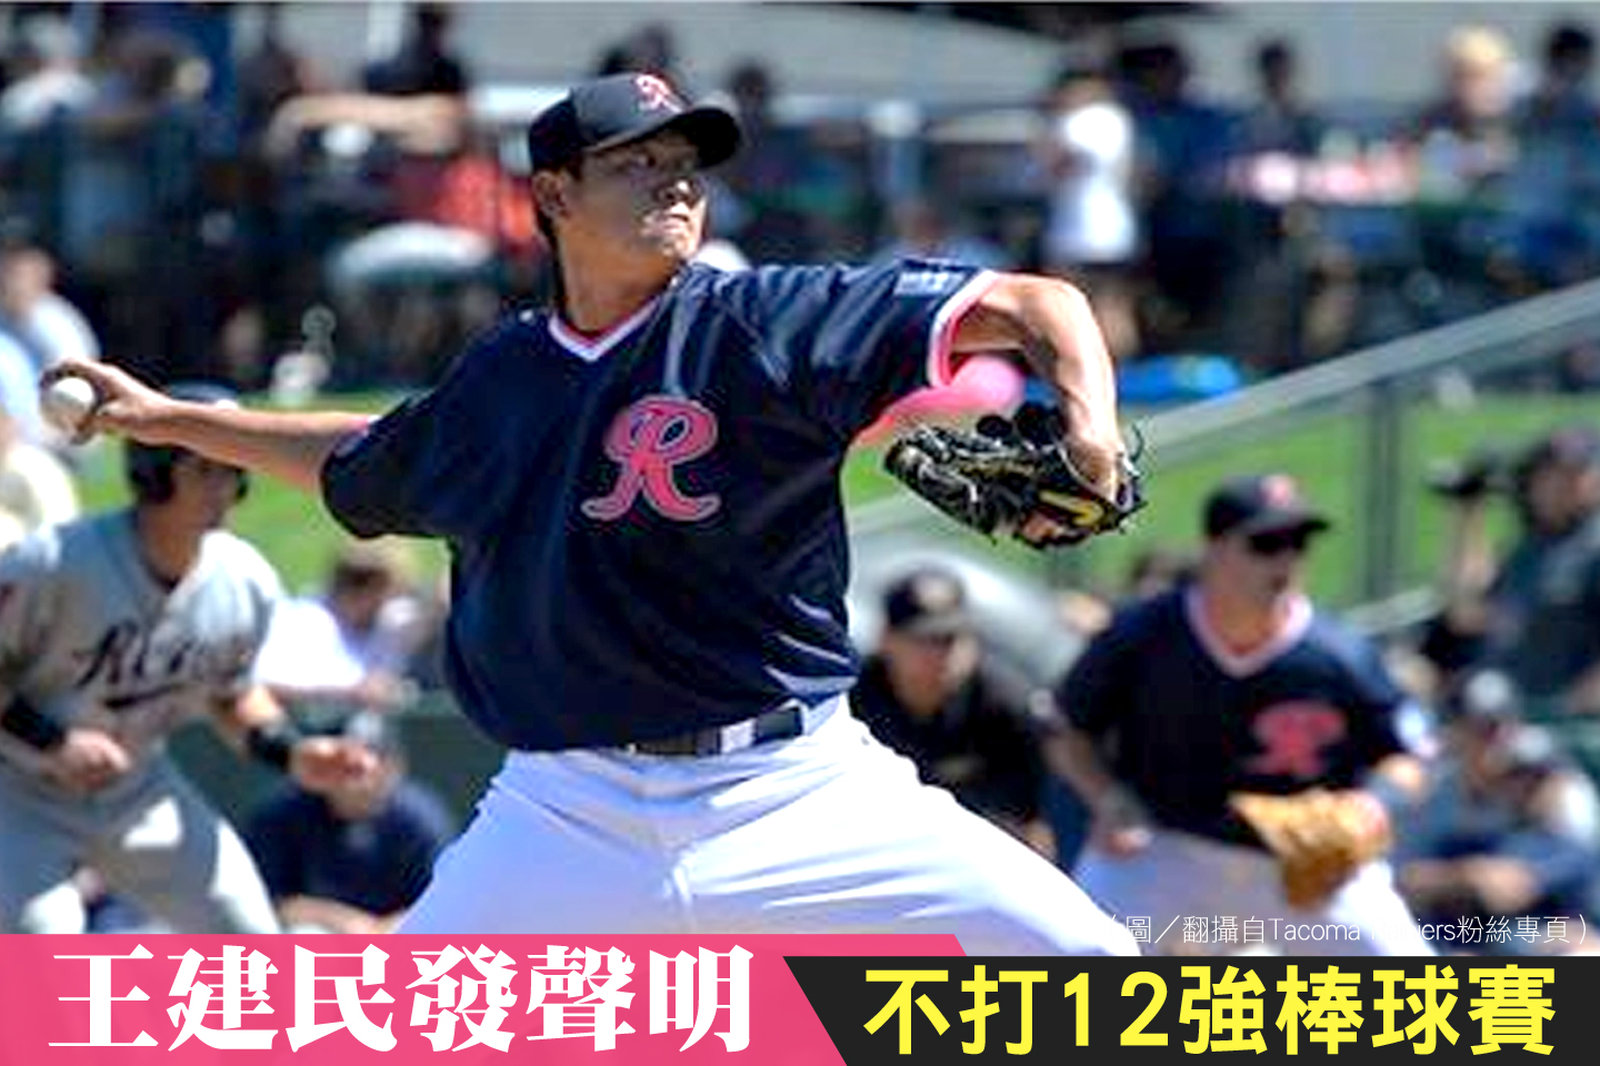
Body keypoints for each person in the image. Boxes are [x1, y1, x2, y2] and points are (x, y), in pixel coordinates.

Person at [47, 72, 1137, 954]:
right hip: (567, 809)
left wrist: (1087, 426)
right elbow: (364, 456)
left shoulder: (770, 320)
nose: (676, 182)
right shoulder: (503, 379)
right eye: (636, 163)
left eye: (686, 162)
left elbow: (1033, 303)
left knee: (1092, 975)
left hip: (792, 787)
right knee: (386, 1033)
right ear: (555, 194)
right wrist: (174, 420)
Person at [0, 383, 374, 933]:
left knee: (248, 936)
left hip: (137, 790)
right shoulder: (54, 563)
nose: (225, 485)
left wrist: (294, 750)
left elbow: (232, 696)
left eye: (231, 469)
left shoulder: (242, 579)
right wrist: (53, 740)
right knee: (40, 948)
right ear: (153, 473)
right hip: (18, 789)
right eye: (205, 468)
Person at [1050, 473, 1436, 955]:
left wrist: (1372, 805)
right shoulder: (1144, 634)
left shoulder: (1338, 654)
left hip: (1301, 863)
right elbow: (1067, 730)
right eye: (1266, 543)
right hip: (1167, 847)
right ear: (1213, 549)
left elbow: (1411, 755)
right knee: (1075, 953)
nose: (1286, 560)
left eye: (1298, 542)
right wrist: (1107, 797)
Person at [852, 566, 1057, 858]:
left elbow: (1029, 826)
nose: (941, 653)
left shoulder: (1005, 704)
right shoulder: (850, 703)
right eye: (924, 639)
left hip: (974, 850)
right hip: (876, 845)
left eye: (952, 638)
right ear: (887, 639)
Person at [1395, 669, 1600, 954]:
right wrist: (1465, 877)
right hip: (1449, 933)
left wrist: (1460, 879)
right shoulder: (1433, 789)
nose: (1495, 738)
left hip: (1547, 928)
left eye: (1500, 725)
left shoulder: (1551, 782)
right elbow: (1403, 879)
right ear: (1452, 733)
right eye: (1480, 728)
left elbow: (1512, 887)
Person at [1429, 425, 1600, 713]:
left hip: (1567, 720)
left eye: (1574, 475)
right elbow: (1465, 613)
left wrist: (1572, 710)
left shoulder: (1591, 547)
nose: (1558, 485)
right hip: (1506, 710)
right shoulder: (1531, 548)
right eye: (1549, 474)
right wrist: (1469, 511)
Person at [244, 710, 456, 934]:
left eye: (374, 756)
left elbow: (443, 904)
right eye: (345, 760)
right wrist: (355, 926)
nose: (361, 769)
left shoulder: (419, 818)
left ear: (396, 765)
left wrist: (377, 932)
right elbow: (269, 903)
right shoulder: (283, 814)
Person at [254, 538, 426, 719]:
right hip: (306, 727)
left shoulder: (386, 619)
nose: (392, 600)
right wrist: (351, 692)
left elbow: (426, 615)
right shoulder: (304, 620)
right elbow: (261, 683)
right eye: (391, 591)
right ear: (369, 588)